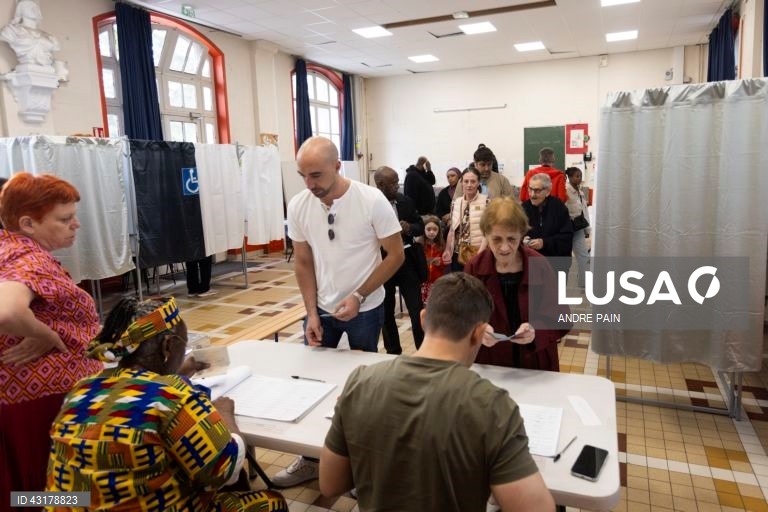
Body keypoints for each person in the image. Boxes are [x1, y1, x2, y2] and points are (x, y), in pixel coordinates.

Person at [319, 273, 555, 512]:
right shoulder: (492, 406)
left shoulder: (360, 381)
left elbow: (330, 484)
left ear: (423, 320)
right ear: (479, 333)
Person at [46, 297, 288, 511]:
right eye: (184, 344)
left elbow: (135, 394)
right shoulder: (172, 396)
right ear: (168, 346)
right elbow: (226, 469)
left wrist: (176, 372)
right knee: (270, 501)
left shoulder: (81, 389)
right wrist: (226, 417)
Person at [281, 136, 403, 487]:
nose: (309, 184)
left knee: (362, 388)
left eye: (316, 175)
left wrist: (360, 296)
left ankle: (364, 465)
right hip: (321, 308)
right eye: (303, 176)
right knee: (312, 383)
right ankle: (310, 458)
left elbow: (396, 255)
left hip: (366, 308)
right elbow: (303, 262)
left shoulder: (371, 200)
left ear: (337, 166)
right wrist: (311, 312)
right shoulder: (300, 205)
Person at [0, 173, 103, 504]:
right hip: (39, 406)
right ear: (28, 223)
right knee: (49, 491)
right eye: (64, 218)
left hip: (24, 398)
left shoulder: (9, 247)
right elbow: (6, 311)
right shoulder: (28, 258)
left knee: (27, 490)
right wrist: (49, 334)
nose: (76, 225)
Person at [464, 197, 572, 371]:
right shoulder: (474, 268)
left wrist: (536, 330)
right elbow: (462, 316)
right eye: (496, 239)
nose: (504, 248)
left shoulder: (540, 264)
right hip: (491, 362)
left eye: (512, 239)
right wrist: (478, 330)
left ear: (521, 234)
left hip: (535, 362)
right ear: (485, 235)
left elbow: (562, 317)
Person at [374, 166, 425, 353]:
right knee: (386, 312)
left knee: (416, 309)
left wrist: (410, 227)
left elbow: (420, 225)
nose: (397, 186)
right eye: (393, 183)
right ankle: (393, 352)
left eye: (397, 182)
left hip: (406, 261)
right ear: (380, 185)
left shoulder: (405, 201)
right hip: (382, 262)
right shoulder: (370, 205)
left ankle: (423, 350)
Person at [521, 173, 573, 277]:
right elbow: (516, 234)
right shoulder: (524, 208)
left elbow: (567, 237)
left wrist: (544, 243)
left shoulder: (559, 207)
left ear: (548, 191)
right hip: (533, 264)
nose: (532, 194)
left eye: (537, 191)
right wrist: (522, 240)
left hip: (557, 264)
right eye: (530, 189)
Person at [443, 168, 488, 272]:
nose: (469, 185)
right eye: (466, 181)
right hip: (457, 254)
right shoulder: (455, 203)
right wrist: (447, 250)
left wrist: (480, 254)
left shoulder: (486, 202)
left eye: (473, 181)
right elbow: (452, 230)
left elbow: (488, 233)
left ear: (478, 183)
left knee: (474, 281)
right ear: (461, 182)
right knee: (458, 281)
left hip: (477, 252)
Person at [0, 0, 60, 68]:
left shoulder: (49, 37)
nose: (33, 8)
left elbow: (55, 47)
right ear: (20, 10)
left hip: (45, 69)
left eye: (35, 7)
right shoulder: (12, 30)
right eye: (28, 6)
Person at [565, 167, 591, 288]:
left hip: (578, 228)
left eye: (580, 176)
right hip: (566, 228)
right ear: (570, 177)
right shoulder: (565, 190)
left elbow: (584, 212)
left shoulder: (580, 192)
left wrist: (587, 229)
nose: (579, 178)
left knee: (583, 256)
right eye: (577, 176)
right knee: (565, 257)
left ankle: (584, 282)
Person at [421, 215, 446, 303]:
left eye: (435, 229)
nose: (432, 232)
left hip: (437, 281)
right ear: (423, 230)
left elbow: (446, 263)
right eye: (428, 229)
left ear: (439, 231)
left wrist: (441, 262)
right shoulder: (420, 246)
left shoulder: (441, 245)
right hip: (423, 282)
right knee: (425, 304)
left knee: (437, 303)